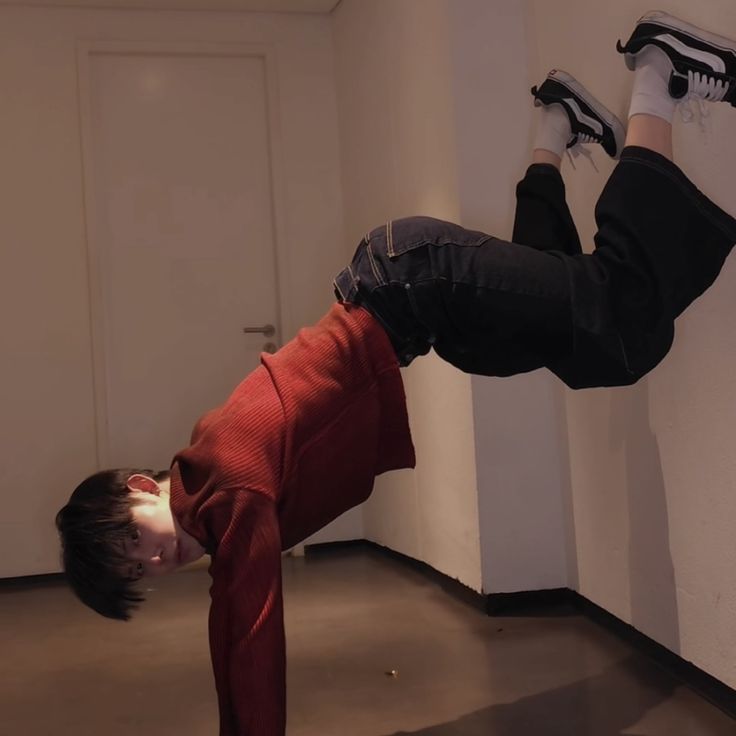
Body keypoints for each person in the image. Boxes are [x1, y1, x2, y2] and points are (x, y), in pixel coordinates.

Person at [56, 11, 736, 736]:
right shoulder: (204, 490)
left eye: (132, 540)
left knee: (615, 310)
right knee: (540, 345)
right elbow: (231, 616)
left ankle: (658, 74)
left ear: (137, 489)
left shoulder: (228, 488)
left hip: (415, 281)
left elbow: (248, 632)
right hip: (416, 305)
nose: (154, 561)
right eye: (138, 575)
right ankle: (555, 126)